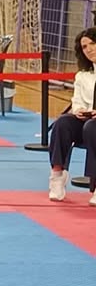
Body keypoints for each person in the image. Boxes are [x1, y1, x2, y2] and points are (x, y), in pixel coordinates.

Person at [48, 28, 96, 204]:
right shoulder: (82, 76)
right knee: (63, 122)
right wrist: (79, 110)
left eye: (93, 43)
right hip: (87, 120)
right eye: (84, 47)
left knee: (92, 127)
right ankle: (57, 175)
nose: (89, 49)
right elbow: (77, 101)